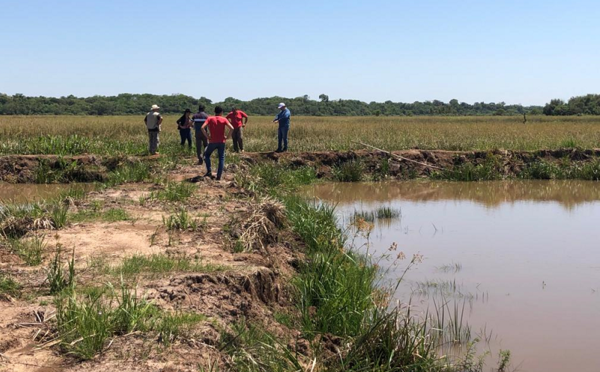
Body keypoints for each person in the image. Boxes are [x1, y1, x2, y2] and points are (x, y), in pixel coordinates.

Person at [202, 106, 234, 180]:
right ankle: (219, 176)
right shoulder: (224, 119)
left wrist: (207, 136)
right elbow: (232, 128)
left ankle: (209, 170)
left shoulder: (210, 118)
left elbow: (202, 128)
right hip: (221, 141)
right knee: (221, 158)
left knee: (206, 155)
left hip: (212, 141)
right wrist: (228, 137)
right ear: (221, 112)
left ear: (214, 111)